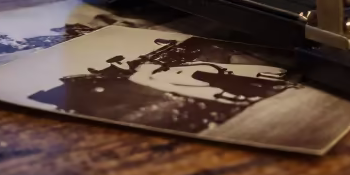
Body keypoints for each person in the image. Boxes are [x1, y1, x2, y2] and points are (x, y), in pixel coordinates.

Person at [28, 37, 295, 134]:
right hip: (201, 82)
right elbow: (146, 77)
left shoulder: (148, 72)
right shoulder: (143, 76)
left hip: (202, 78)